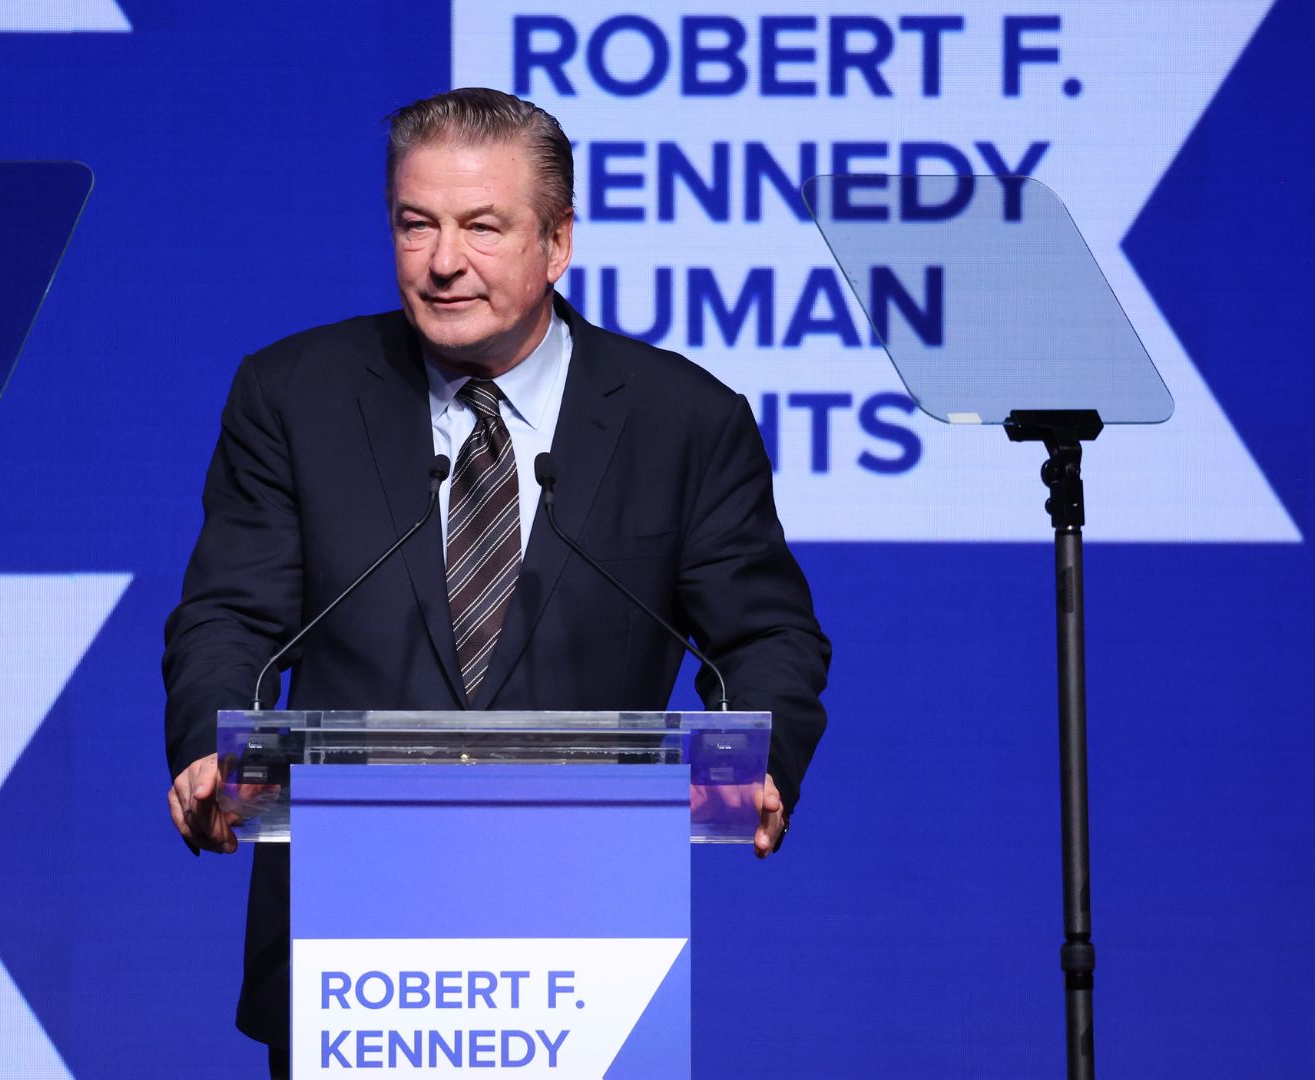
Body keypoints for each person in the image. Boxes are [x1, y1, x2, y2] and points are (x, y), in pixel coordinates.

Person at [162, 87, 830, 1076]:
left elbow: (766, 636)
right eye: (415, 224)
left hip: (583, 939)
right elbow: (232, 613)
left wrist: (762, 754)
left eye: (482, 226)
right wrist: (213, 744)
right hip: (352, 939)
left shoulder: (680, 419)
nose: (441, 262)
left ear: (558, 242)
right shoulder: (294, 396)